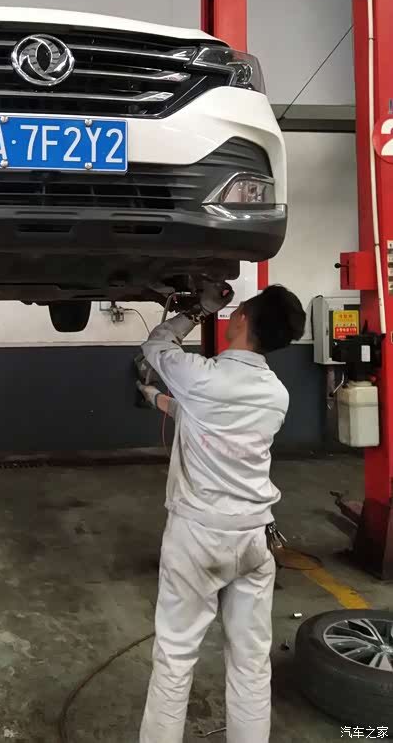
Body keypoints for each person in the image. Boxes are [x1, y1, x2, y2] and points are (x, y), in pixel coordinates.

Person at [137, 283, 306, 743]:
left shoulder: (201, 376)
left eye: (236, 309)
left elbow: (156, 343)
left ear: (242, 320)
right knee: (251, 664)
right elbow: (202, 418)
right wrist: (154, 398)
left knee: (174, 658)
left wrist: (197, 310)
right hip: (253, 540)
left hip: (197, 538)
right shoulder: (277, 394)